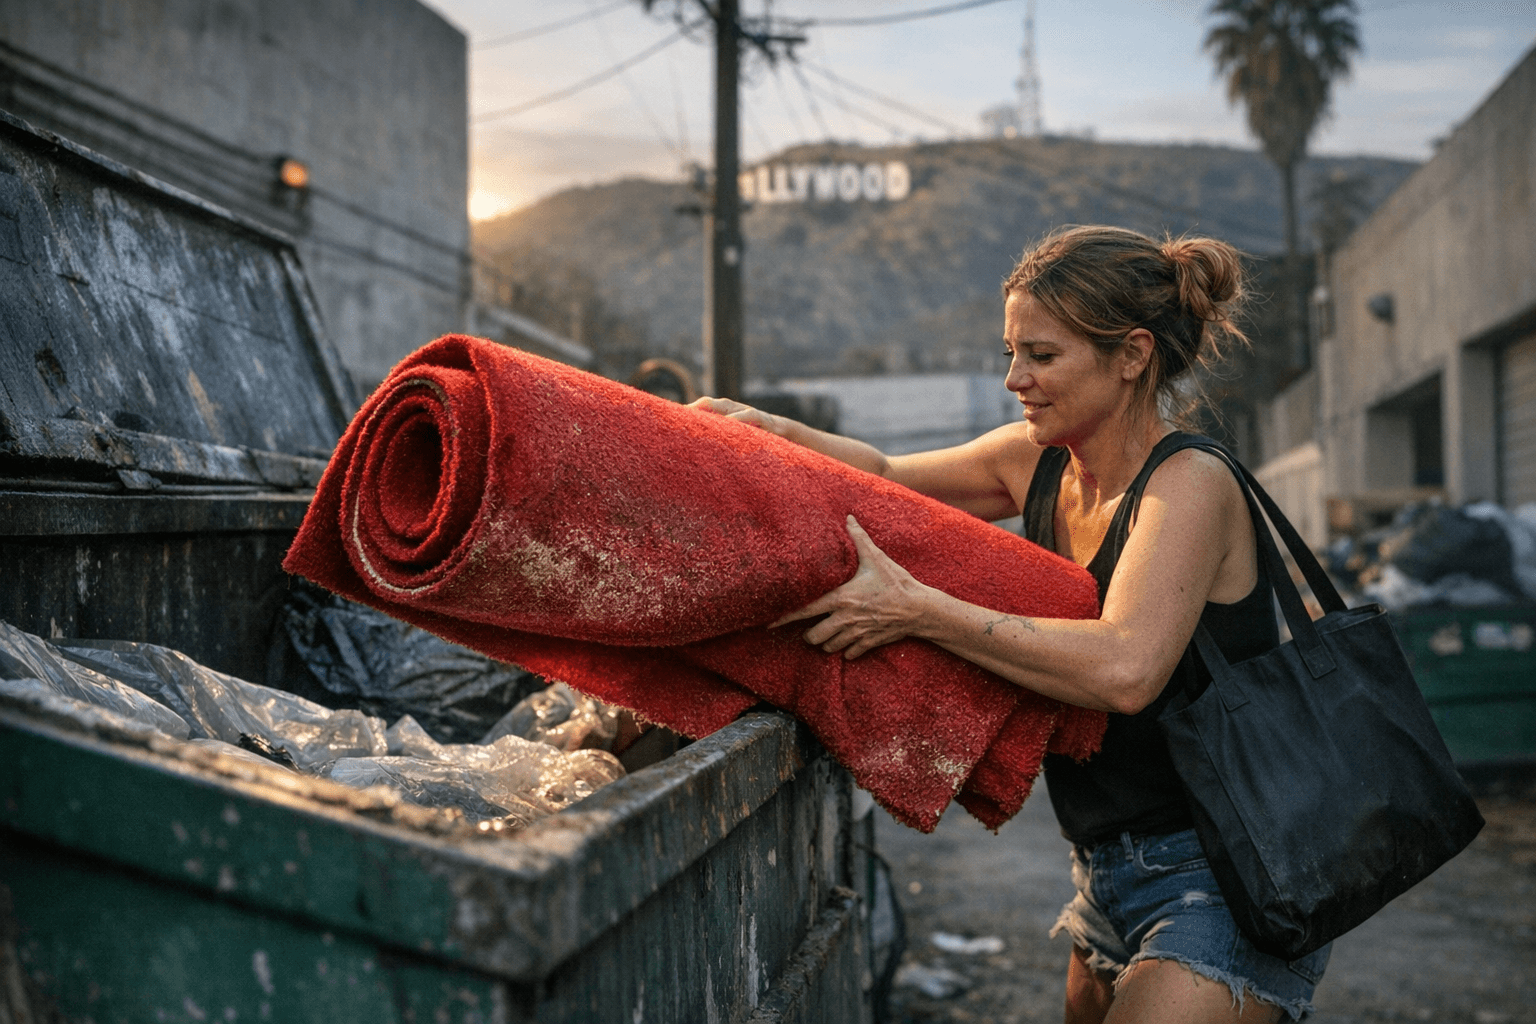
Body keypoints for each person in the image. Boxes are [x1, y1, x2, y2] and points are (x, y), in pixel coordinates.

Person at [692, 225, 1330, 1024]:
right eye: (1009, 353)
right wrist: (776, 436)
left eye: (1041, 355)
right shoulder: (1042, 462)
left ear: (1132, 355)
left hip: (1224, 874)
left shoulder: (1189, 483)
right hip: (1105, 875)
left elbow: (1123, 669)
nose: (1014, 379)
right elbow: (886, 479)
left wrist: (920, 610)